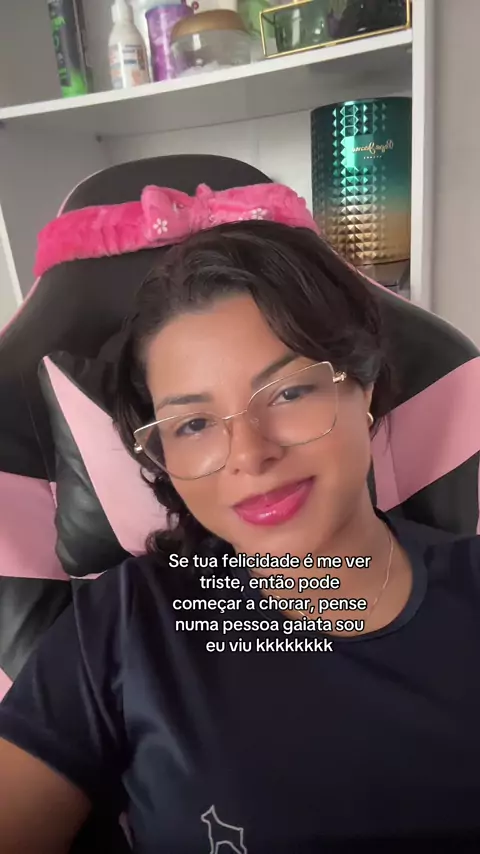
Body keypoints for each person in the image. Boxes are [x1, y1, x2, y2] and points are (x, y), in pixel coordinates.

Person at [0, 186, 480, 854]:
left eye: (288, 392)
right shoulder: (125, 627)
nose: (250, 455)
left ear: (363, 385)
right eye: (193, 424)